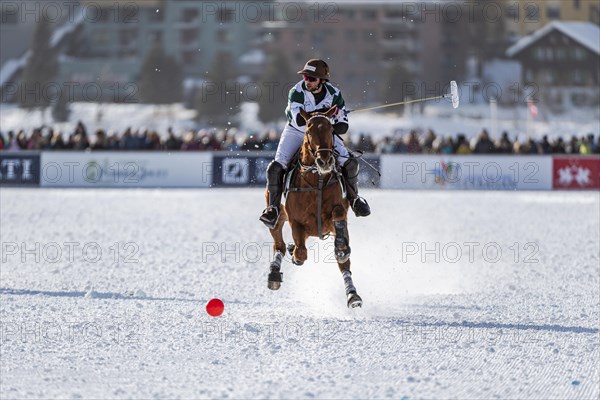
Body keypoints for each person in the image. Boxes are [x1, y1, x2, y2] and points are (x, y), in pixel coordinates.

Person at [259, 59, 370, 229]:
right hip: (297, 131)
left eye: (312, 79)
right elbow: (298, 120)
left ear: (322, 80)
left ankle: (355, 200)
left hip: (323, 131)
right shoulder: (296, 92)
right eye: (305, 78)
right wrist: (321, 115)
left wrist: (329, 122)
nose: (307, 81)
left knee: (349, 162)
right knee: (276, 167)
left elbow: (343, 126)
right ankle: (273, 208)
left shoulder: (334, 94)